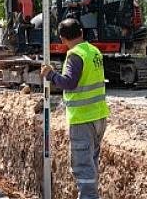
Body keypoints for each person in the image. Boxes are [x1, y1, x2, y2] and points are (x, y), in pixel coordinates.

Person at [41, 18, 109, 199]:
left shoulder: (75, 55)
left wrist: (51, 75)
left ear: (62, 39)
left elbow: (69, 83)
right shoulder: (94, 51)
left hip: (82, 119)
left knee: (83, 167)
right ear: (81, 33)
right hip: (99, 117)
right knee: (91, 163)